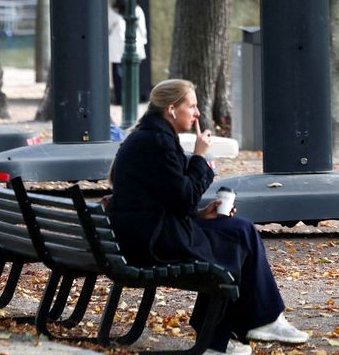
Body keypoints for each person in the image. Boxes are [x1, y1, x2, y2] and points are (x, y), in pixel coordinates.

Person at [109, 79, 309, 354]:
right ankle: (258, 322)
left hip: (142, 233)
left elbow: (170, 199)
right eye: (191, 105)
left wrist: (202, 214)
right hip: (153, 241)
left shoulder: (148, 136)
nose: (197, 113)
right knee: (240, 234)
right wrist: (200, 159)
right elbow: (183, 198)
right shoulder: (157, 142)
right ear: (171, 109)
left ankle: (220, 338)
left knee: (236, 231)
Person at [109, 0, 147, 102]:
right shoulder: (136, 10)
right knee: (129, 73)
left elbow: (108, 28)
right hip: (129, 46)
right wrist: (143, 42)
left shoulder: (113, 11)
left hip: (121, 47)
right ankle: (129, 98)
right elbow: (142, 29)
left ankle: (123, 99)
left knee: (120, 74)